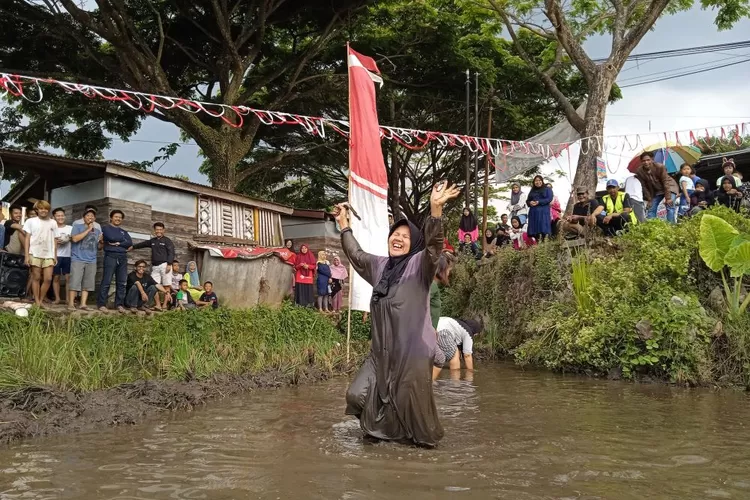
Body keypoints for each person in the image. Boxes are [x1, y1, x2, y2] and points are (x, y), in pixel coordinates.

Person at [337, 180, 460, 447]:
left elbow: (433, 247)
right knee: (356, 395)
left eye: (405, 236)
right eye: (395, 234)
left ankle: (422, 453)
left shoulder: (421, 265)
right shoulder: (379, 266)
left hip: (413, 352)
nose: (399, 238)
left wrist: (435, 212)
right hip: (381, 352)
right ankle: (378, 431)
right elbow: (356, 255)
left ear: (413, 243)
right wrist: (344, 226)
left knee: (414, 416)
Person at [130, 222, 174, 311]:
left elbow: (171, 252)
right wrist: (133, 247)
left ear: (163, 230)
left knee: (166, 285)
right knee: (153, 285)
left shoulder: (167, 240)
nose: (159, 231)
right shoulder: (152, 241)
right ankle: (158, 305)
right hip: (155, 266)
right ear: (154, 230)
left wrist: (169, 264)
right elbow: (143, 244)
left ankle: (164, 305)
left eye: (160, 229)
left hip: (165, 265)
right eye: (157, 229)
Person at [23, 200, 57, 307]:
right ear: (37, 210)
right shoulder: (31, 221)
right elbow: (27, 238)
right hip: (35, 252)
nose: (43, 210)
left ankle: (40, 299)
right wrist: (27, 255)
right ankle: (37, 301)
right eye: (41, 208)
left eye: (46, 209)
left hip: (49, 254)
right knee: (36, 277)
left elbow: (55, 239)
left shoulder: (53, 222)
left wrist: (55, 255)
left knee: (48, 278)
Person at [97, 210, 133, 312]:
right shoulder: (105, 228)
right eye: (116, 217)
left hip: (122, 257)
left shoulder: (124, 231)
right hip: (111, 256)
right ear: (111, 218)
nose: (118, 219)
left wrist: (118, 243)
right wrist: (121, 241)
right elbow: (110, 237)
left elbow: (129, 243)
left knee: (121, 282)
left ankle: (119, 304)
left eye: (120, 217)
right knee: (106, 281)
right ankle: (101, 304)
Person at [68, 207, 103, 310]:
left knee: (87, 283)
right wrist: (88, 229)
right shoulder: (77, 226)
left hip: (92, 259)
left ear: (94, 218)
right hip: (78, 258)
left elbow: (99, 248)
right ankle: (71, 303)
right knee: (75, 281)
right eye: (88, 215)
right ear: (83, 217)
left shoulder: (97, 230)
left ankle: (83, 304)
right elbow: (74, 239)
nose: (90, 217)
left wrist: (101, 242)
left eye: (92, 216)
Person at [634, 151, 679, 223]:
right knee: (651, 208)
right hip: (657, 190)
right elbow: (644, 186)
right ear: (641, 162)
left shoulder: (660, 167)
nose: (646, 162)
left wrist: (668, 198)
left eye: (648, 160)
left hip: (669, 187)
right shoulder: (639, 171)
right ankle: (652, 227)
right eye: (643, 161)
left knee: (669, 206)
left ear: (652, 159)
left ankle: (672, 227)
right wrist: (649, 199)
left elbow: (665, 182)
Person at [51, 208, 72, 304]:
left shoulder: (70, 228)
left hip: (68, 255)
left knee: (68, 278)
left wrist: (69, 239)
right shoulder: (52, 229)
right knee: (56, 277)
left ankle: (68, 299)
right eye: (58, 215)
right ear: (54, 217)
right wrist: (55, 242)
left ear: (65, 216)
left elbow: (74, 239)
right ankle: (57, 298)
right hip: (56, 255)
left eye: (62, 215)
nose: (60, 217)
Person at [526, 175, 553, 242]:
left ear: (542, 181)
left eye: (539, 180)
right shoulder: (532, 190)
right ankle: (538, 245)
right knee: (535, 232)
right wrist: (530, 203)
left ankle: (545, 245)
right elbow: (527, 200)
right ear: (534, 182)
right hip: (534, 213)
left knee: (543, 230)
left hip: (543, 212)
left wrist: (539, 202)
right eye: (536, 181)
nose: (538, 182)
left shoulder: (547, 189)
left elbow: (549, 199)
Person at [430, 253, 453, 330]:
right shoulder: (432, 286)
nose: (448, 273)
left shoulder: (432, 285)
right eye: (448, 269)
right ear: (442, 269)